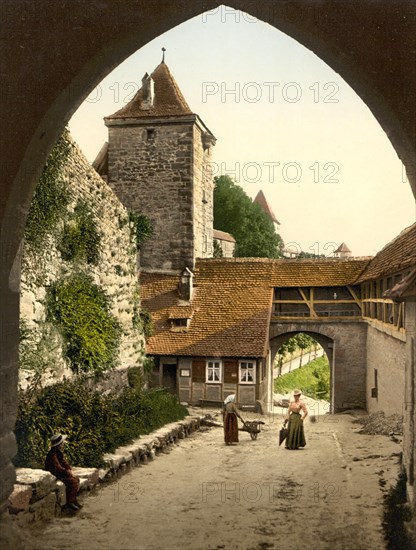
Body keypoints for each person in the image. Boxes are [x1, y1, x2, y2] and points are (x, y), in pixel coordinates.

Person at [44, 433, 82, 511]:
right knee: (73, 482)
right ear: (59, 444)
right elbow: (58, 467)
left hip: (59, 472)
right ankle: (69, 503)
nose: (63, 444)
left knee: (76, 479)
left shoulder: (57, 452)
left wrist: (69, 468)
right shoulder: (52, 454)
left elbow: (63, 462)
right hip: (55, 473)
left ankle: (74, 500)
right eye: (62, 443)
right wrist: (67, 473)